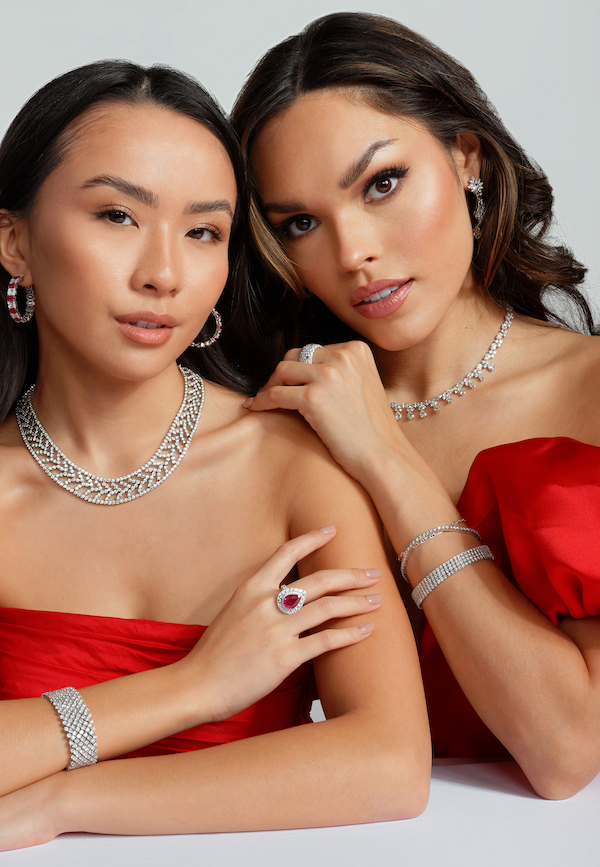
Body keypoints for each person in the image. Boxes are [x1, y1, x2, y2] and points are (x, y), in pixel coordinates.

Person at [0, 61, 430, 857]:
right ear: (15, 242)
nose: (163, 273)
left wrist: (64, 799)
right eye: (117, 216)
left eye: (203, 231)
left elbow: (390, 762)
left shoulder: (293, 460)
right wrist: (191, 687)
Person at [232, 12, 600, 800]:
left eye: (382, 183)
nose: (353, 251)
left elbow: (566, 749)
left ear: (465, 156)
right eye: (300, 223)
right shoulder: (273, 413)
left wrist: (383, 459)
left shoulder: (590, 393)